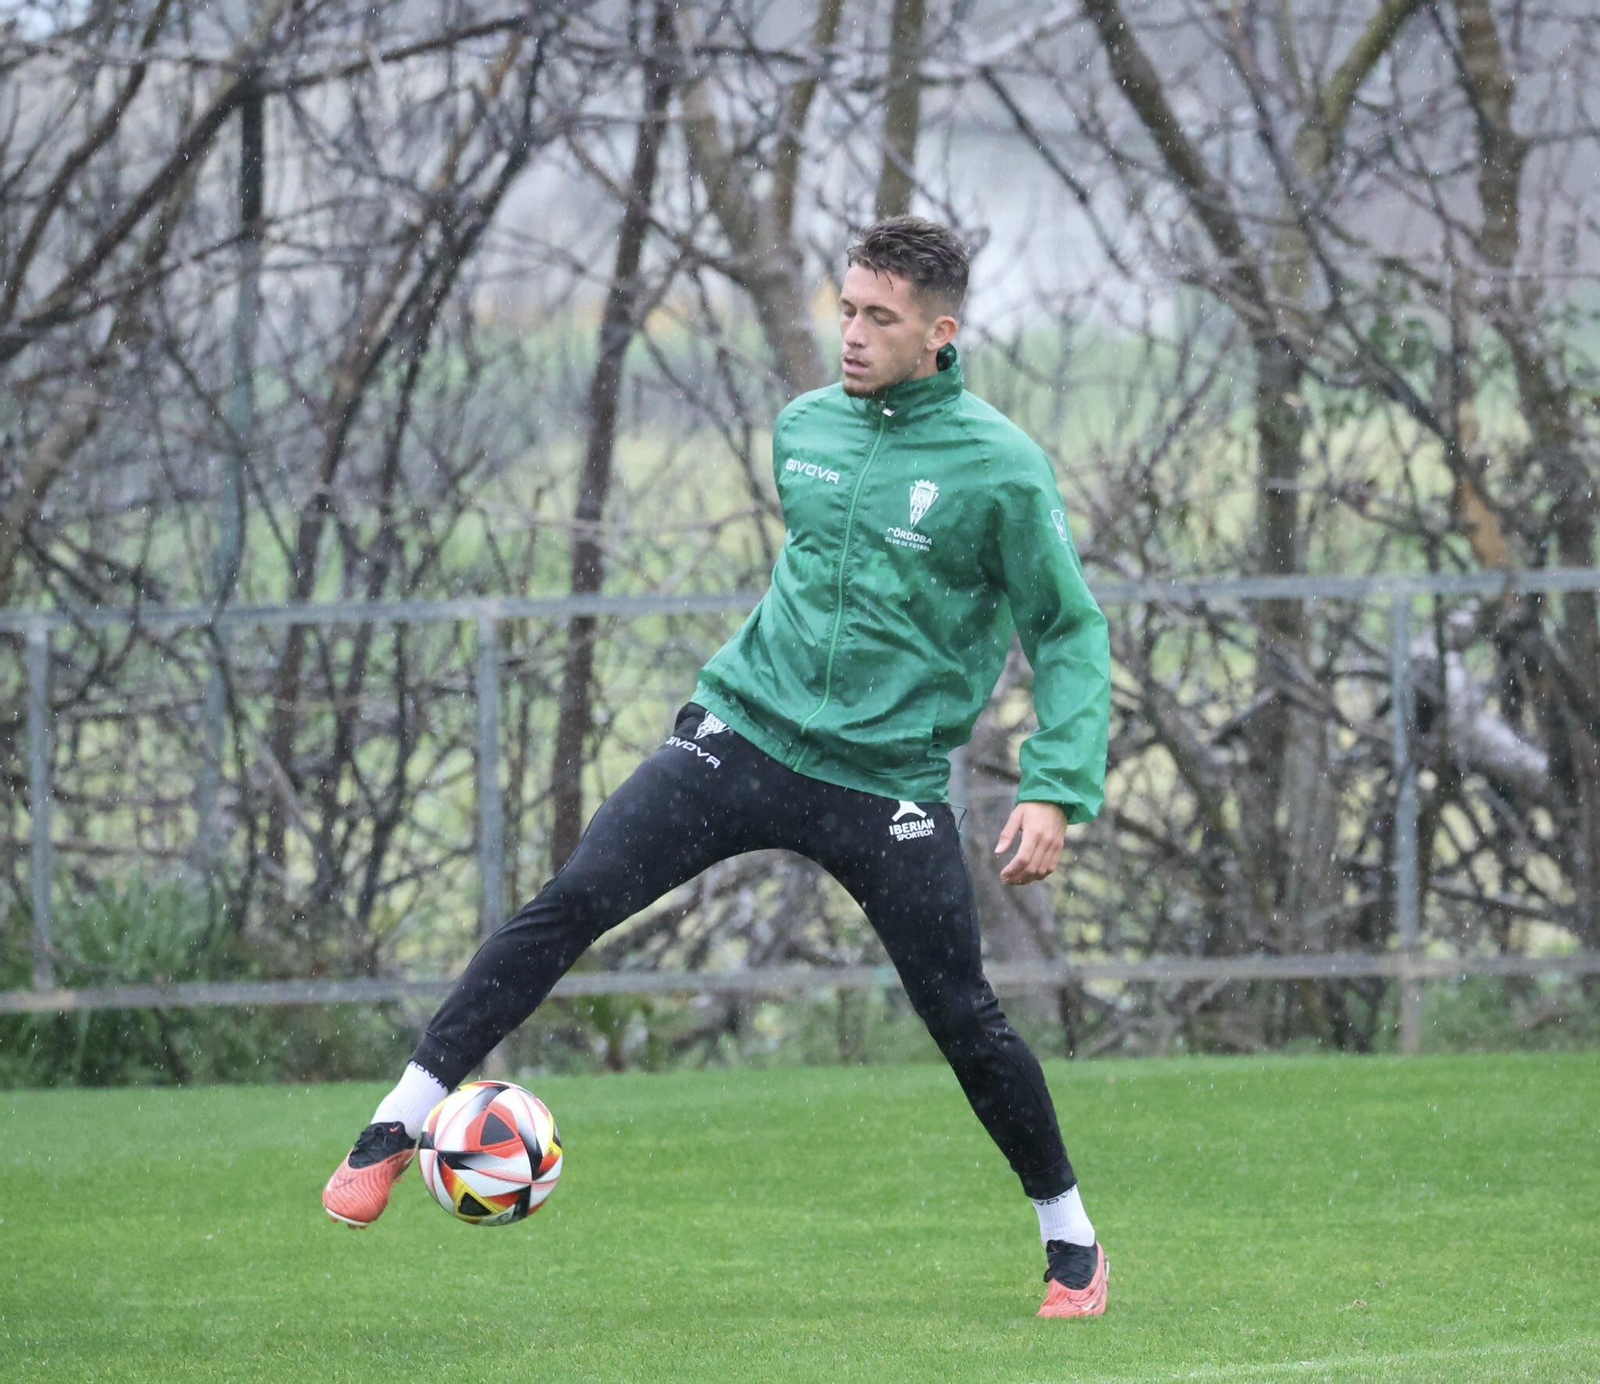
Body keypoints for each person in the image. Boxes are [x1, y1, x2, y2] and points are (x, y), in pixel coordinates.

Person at [322, 215, 1113, 1320]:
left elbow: (1067, 630)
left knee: (962, 1016)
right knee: (573, 898)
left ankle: (1069, 1239)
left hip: (884, 781)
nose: (851, 332)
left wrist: (1054, 786)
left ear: (938, 333)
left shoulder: (1000, 469)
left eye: (879, 317)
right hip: (737, 733)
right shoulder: (805, 431)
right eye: (845, 307)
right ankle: (397, 1121)